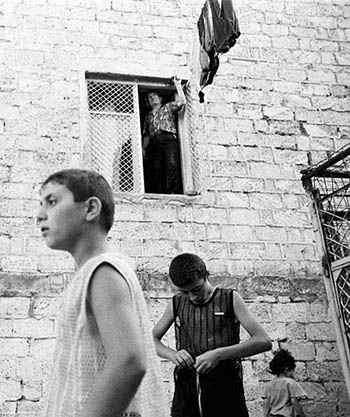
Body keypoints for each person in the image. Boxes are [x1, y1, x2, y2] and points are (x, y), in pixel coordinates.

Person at [36, 168, 168, 417]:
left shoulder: (103, 271)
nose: (40, 215)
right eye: (41, 204)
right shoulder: (90, 272)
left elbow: (129, 362)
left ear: (90, 209)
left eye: (52, 202)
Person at [152, 253, 271, 417]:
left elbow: (263, 340)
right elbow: (151, 340)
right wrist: (172, 354)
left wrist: (218, 354)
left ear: (206, 275)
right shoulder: (176, 303)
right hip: (187, 388)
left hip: (225, 386)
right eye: (185, 292)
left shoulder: (230, 298)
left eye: (196, 289)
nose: (192, 297)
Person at [142, 77, 186, 194]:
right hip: (154, 142)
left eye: (154, 96)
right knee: (157, 168)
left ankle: (174, 191)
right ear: (148, 103)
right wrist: (143, 148)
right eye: (149, 97)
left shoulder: (167, 107)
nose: (152, 98)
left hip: (168, 139)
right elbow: (147, 135)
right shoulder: (148, 116)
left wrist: (177, 85)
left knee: (171, 164)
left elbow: (182, 102)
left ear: (160, 98)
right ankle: (160, 192)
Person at [263, 349, 308, 417]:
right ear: (287, 369)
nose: (293, 374)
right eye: (292, 371)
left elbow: (266, 405)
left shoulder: (268, 385)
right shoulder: (291, 383)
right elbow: (294, 401)